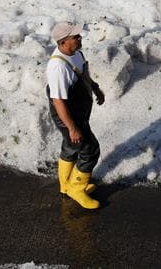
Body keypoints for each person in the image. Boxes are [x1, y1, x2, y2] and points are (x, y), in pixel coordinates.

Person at [46, 22, 105, 210]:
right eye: (75, 36)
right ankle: (76, 188)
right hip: (68, 115)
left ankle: (65, 185)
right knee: (90, 150)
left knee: (71, 147)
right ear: (63, 42)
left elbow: (82, 75)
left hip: (79, 110)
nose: (80, 38)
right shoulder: (57, 67)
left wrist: (95, 88)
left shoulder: (76, 53)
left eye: (79, 35)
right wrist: (71, 128)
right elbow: (58, 101)